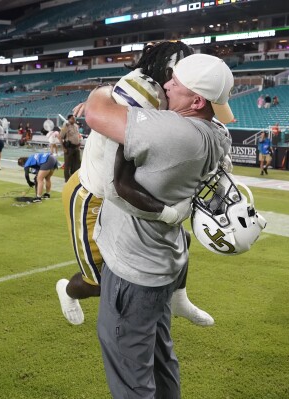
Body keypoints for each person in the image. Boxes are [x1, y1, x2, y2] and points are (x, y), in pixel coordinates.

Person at [76, 53, 233, 398]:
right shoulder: (216, 133)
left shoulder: (176, 132)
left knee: (131, 373)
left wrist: (105, 90)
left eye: (176, 83)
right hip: (162, 263)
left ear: (197, 100)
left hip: (135, 269)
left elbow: (96, 113)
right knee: (161, 360)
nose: (166, 85)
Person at [58, 41, 217, 328]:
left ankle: (179, 298)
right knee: (97, 281)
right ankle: (67, 292)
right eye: (180, 71)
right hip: (94, 193)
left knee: (181, 240)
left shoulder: (168, 91)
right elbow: (120, 176)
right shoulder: (143, 89)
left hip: (123, 190)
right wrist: (166, 210)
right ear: (166, 69)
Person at [59, 114, 81, 182]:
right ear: (69, 119)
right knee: (67, 164)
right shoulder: (66, 127)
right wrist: (63, 148)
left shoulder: (76, 126)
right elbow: (60, 137)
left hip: (76, 148)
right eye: (72, 118)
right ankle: (67, 179)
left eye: (74, 118)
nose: (74, 120)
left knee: (77, 164)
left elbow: (77, 135)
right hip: (69, 148)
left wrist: (79, 143)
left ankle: (75, 178)